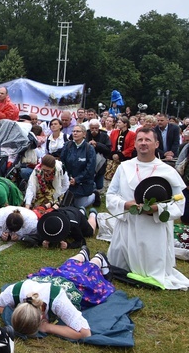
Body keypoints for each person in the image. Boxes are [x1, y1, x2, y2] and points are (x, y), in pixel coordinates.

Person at [106, 127, 189, 290]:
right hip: (128, 224)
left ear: (156, 144)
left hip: (153, 228)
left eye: (148, 140)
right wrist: (126, 204)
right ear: (135, 144)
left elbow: (179, 202)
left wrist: (157, 208)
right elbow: (111, 195)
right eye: (140, 140)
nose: (143, 143)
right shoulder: (124, 167)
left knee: (151, 270)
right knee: (119, 269)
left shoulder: (167, 171)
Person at [0, 248, 114, 339]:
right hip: (52, 278)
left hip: (74, 286)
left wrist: (48, 327)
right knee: (66, 269)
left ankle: (98, 258)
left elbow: (85, 332)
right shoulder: (14, 291)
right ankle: (82, 254)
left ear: (42, 317)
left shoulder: (58, 302)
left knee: (90, 283)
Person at [26, 206, 98, 250]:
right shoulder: (48, 221)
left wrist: (69, 245)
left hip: (76, 215)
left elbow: (82, 241)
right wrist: (43, 241)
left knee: (90, 232)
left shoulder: (73, 225)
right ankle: (82, 210)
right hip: (63, 210)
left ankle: (92, 214)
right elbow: (30, 238)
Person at [60, 124, 96, 208]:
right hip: (68, 180)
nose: (75, 133)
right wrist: (68, 177)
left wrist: (77, 179)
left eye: (78, 131)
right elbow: (62, 162)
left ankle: (94, 195)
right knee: (64, 204)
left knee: (79, 205)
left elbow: (90, 169)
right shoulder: (67, 145)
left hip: (83, 182)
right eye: (73, 131)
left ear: (84, 134)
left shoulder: (89, 149)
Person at [85, 118, 111, 206]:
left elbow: (108, 149)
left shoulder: (104, 135)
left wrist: (97, 145)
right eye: (92, 128)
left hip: (101, 162)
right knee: (92, 183)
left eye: (96, 128)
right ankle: (94, 196)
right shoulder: (86, 134)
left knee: (99, 185)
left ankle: (95, 191)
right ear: (89, 128)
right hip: (88, 162)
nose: (94, 130)